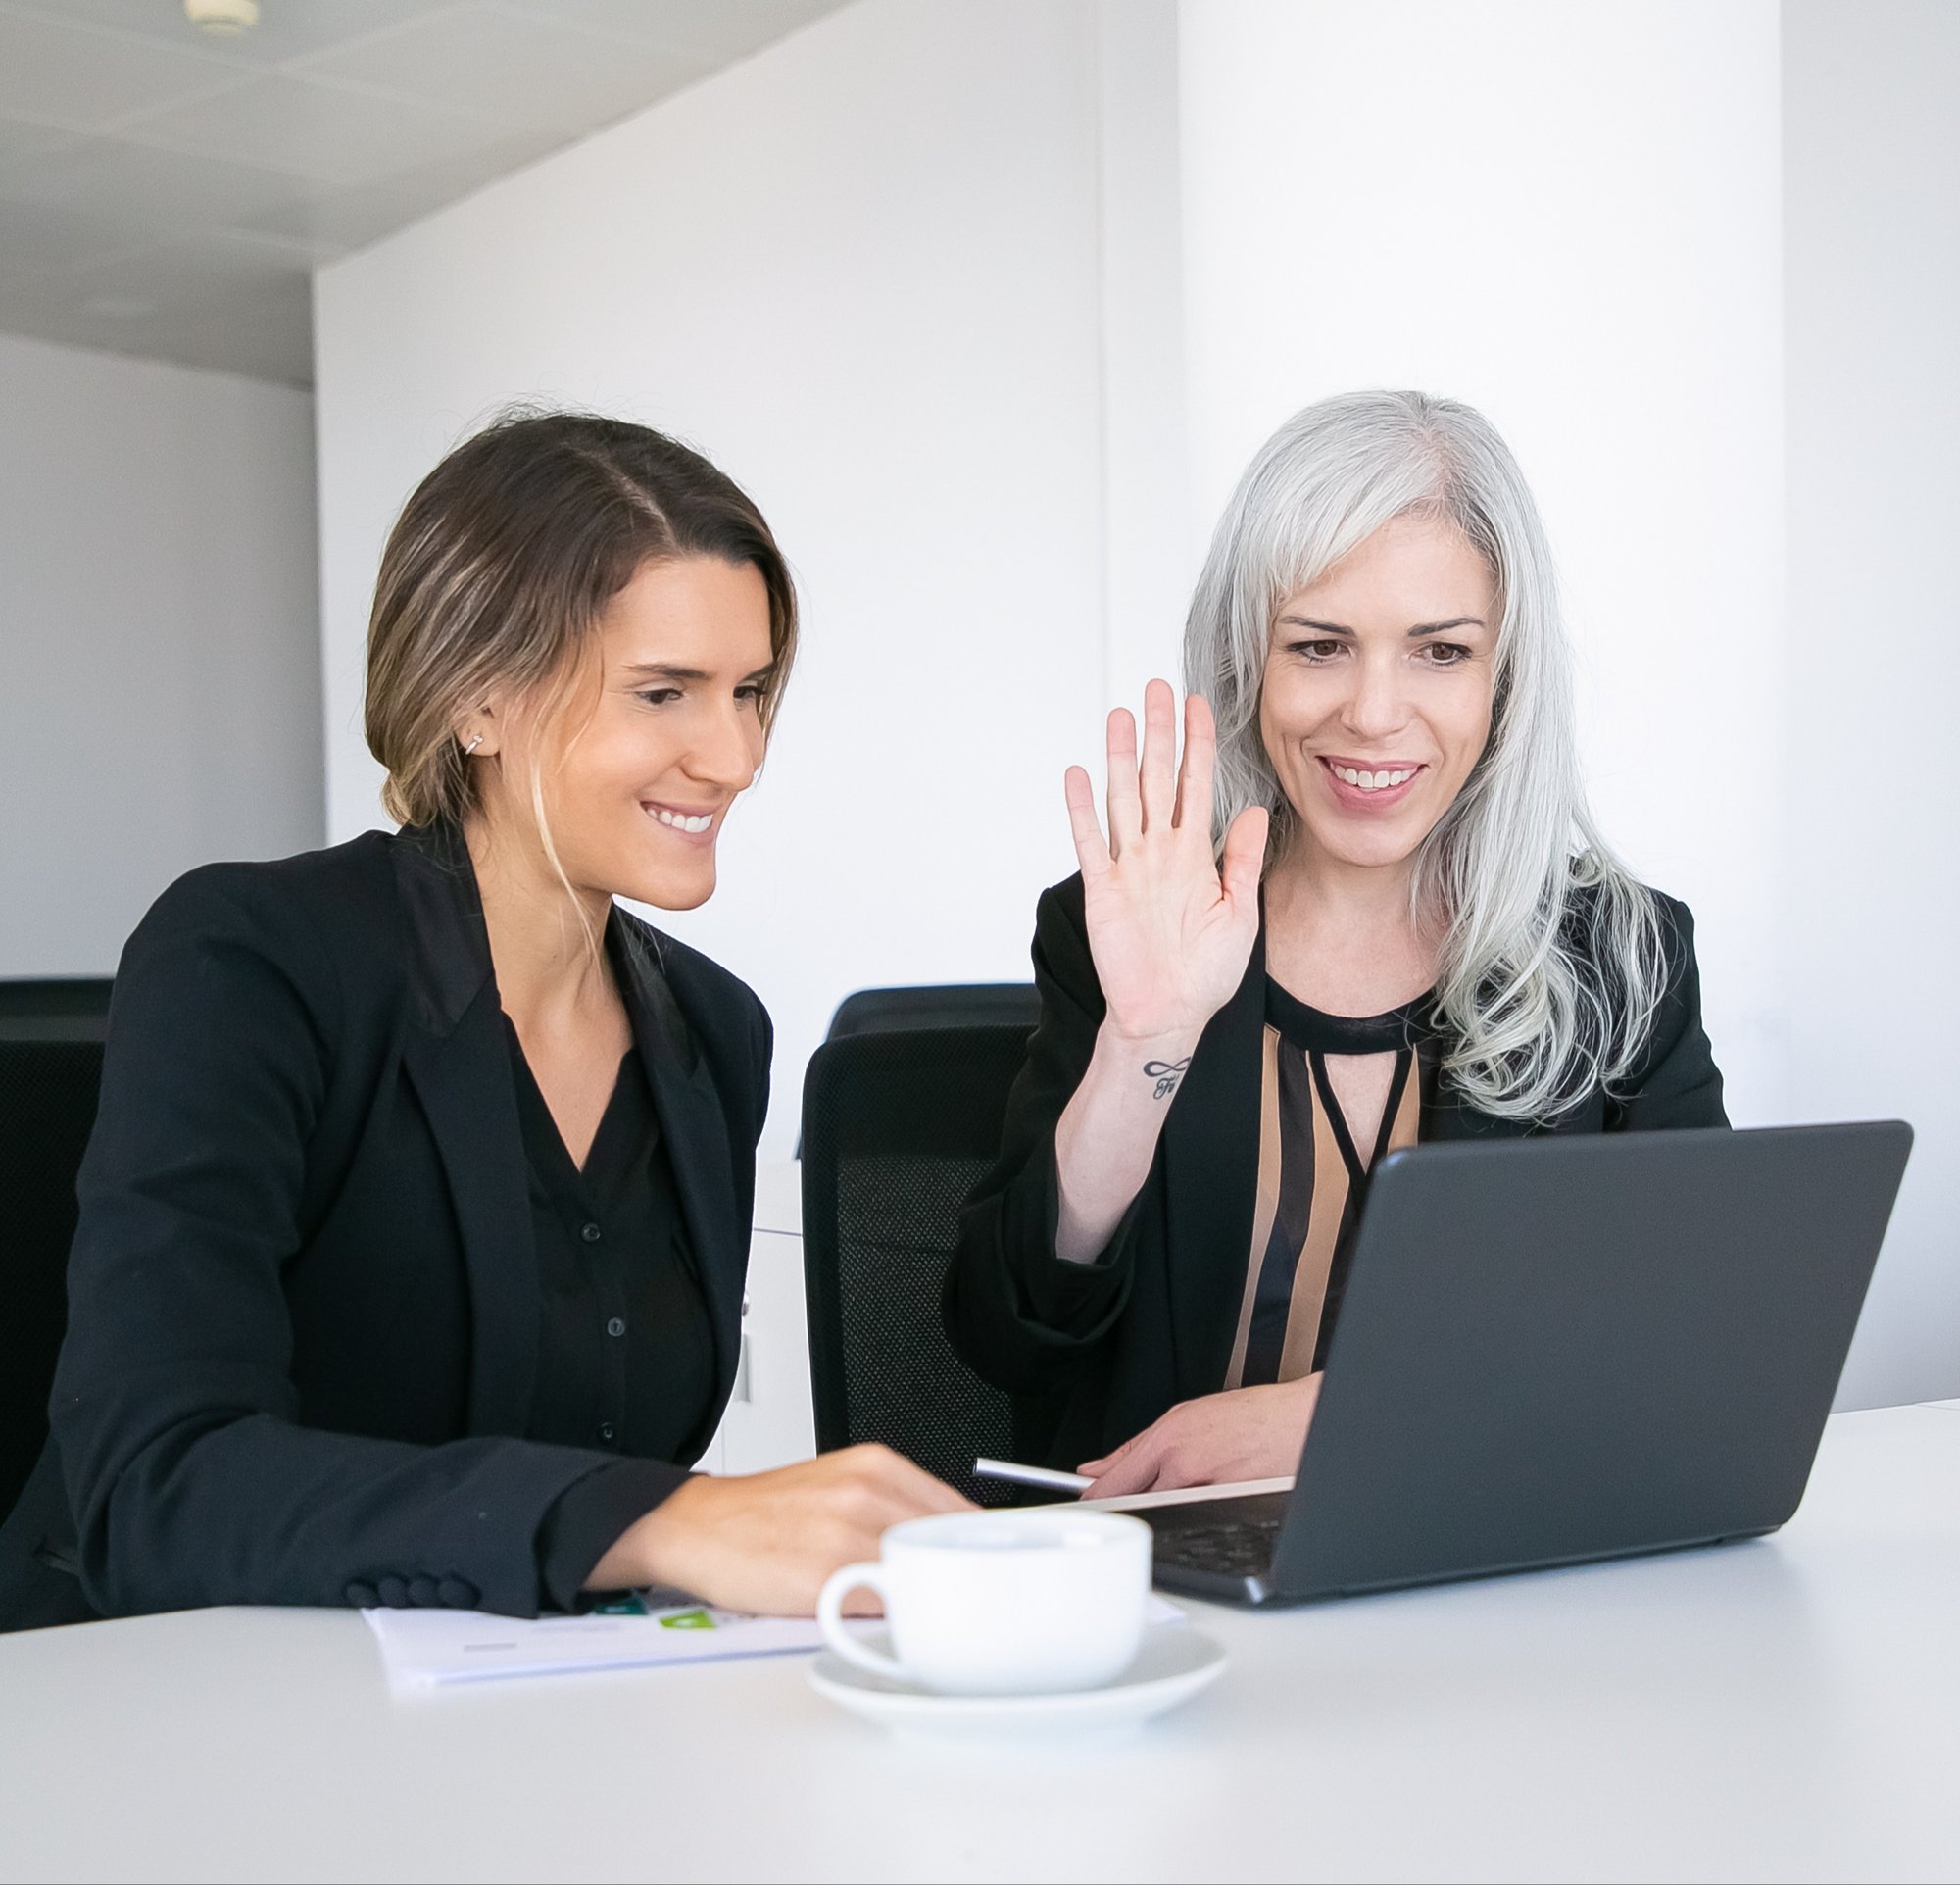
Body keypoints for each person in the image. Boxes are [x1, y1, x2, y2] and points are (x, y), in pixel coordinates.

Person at [3, 411, 964, 1630]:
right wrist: (655, 1518)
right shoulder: (251, 959)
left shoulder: (715, 1033)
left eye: (750, 692)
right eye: (664, 691)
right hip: (176, 1711)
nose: (732, 756)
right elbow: (156, 1486)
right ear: (477, 702)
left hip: (508, 1723)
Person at [945, 390, 1727, 1498]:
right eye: (1318, 646)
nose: (1370, 712)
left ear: (1504, 678)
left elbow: (1694, 1344)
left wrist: (1343, 1415)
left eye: (1438, 652)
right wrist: (1143, 1045)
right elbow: (1007, 1342)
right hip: (1162, 1588)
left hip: (1480, 1570)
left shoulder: (1619, 958)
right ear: (1247, 662)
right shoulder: (1127, 920)